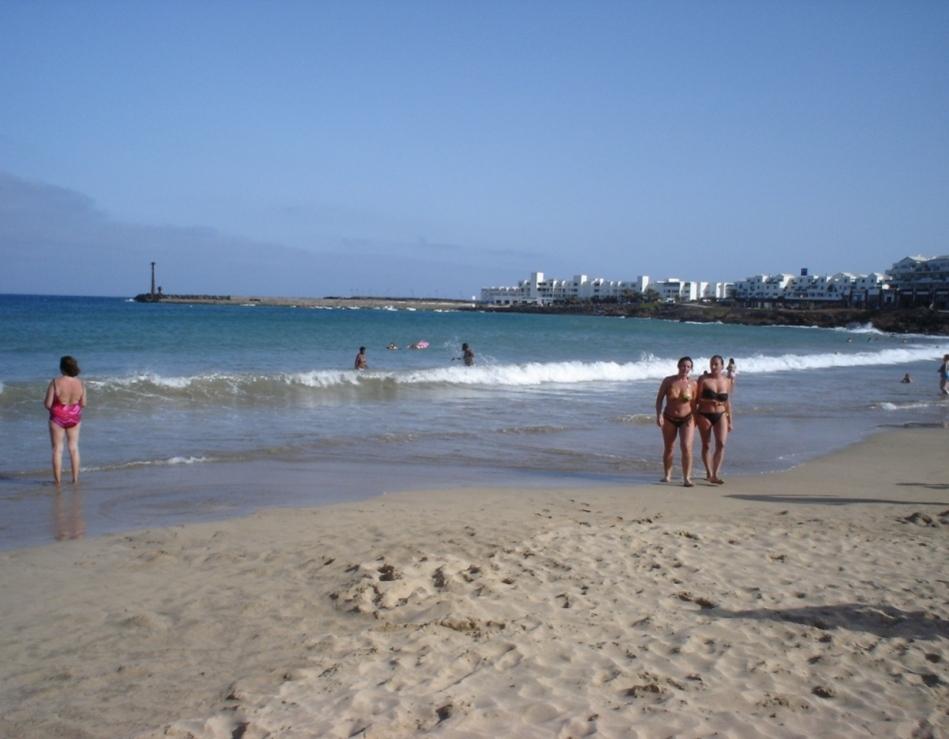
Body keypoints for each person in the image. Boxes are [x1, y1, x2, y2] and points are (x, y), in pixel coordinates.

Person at [654, 356, 697, 487]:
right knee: (669, 447)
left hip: (687, 419)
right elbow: (659, 399)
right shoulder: (668, 381)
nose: (685, 368)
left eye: (688, 366)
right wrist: (659, 415)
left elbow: (694, 403)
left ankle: (687, 478)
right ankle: (667, 475)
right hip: (669, 418)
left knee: (686, 447)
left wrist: (695, 419)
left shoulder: (693, 384)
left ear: (691, 369)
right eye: (683, 366)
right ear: (678, 366)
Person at [44, 355, 86, 485]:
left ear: (62, 368)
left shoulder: (55, 382)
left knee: (57, 449)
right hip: (74, 416)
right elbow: (83, 403)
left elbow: (48, 404)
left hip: (58, 416)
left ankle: (58, 481)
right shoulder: (81, 383)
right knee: (74, 448)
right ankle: (75, 479)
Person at [695, 355, 732, 485]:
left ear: (722, 366)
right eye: (712, 364)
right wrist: (709, 401)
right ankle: (709, 473)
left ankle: (715, 474)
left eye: (716, 364)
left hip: (721, 414)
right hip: (704, 414)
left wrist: (730, 420)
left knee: (721, 444)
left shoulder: (727, 381)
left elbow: (727, 402)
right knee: (706, 444)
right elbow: (697, 399)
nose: (713, 366)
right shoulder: (703, 379)